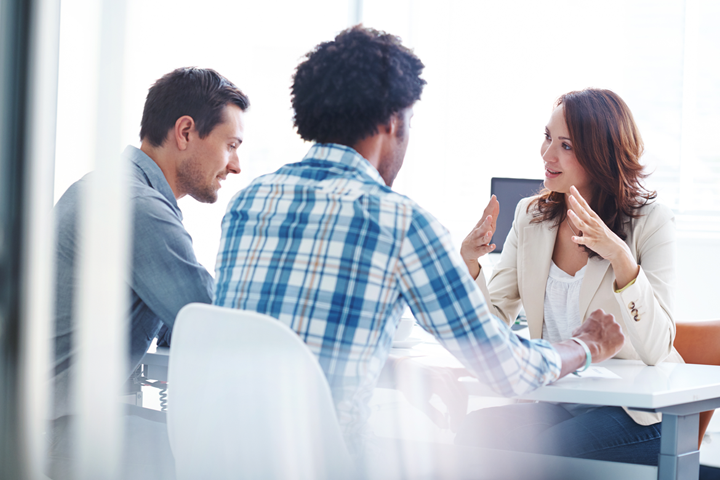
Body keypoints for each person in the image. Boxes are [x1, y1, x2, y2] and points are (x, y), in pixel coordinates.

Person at [212, 26, 625, 463]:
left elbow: (290, 354)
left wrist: (397, 370)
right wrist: (585, 346)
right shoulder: (399, 221)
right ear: (392, 121)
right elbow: (509, 370)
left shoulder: (248, 204)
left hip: (221, 460)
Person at [455, 88, 681, 465]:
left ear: (600, 153)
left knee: (546, 452)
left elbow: (657, 348)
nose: (547, 155)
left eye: (566, 145)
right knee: (473, 433)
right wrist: (470, 264)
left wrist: (620, 258)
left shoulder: (651, 222)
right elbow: (493, 323)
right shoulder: (530, 216)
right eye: (547, 138)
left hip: (638, 413)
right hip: (560, 401)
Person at [49, 67, 250, 479]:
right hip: (50, 431)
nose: (236, 166)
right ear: (185, 132)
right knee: (228, 458)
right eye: (230, 145)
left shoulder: (105, 188)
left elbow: (174, 320)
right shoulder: (137, 207)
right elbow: (213, 320)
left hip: (38, 418)